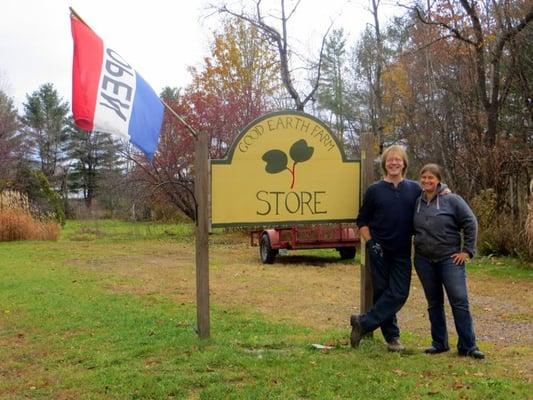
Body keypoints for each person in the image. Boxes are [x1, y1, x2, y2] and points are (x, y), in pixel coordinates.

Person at [350, 144, 422, 352]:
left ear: (404, 164)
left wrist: (443, 188)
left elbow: (432, 190)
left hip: (402, 250)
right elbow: (362, 221)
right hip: (379, 248)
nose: (394, 163)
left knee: (399, 292)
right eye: (390, 160)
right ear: (384, 164)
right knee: (382, 292)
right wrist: (371, 243)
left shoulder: (414, 188)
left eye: (398, 159)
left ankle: (362, 322)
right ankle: (393, 338)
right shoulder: (375, 190)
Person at [413, 163, 484, 359]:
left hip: (450, 259)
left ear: (439, 180)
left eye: (431, 178)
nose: (427, 181)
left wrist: (467, 251)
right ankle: (439, 343)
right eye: (424, 177)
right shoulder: (416, 201)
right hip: (423, 260)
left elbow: (470, 222)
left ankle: (468, 346)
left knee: (459, 301)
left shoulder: (451, 200)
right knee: (434, 302)